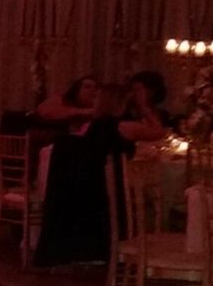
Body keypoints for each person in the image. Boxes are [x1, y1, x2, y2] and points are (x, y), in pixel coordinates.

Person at [34, 83, 142, 267]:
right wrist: (146, 108)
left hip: (85, 188)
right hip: (103, 192)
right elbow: (156, 131)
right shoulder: (119, 125)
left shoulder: (95, 125)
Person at [35, 75, 99, 129]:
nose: (93, 90)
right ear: (76, 91)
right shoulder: (60, 100)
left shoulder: (98, 109)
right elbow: (44, 110)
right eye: (87, 87)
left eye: (96, 87)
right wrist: (82, 112)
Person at [124, 71, 171, 139]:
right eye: (131, 89)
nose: (132, 93)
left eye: (137, 89)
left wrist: (144, 107)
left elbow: (161, 135)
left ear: (151, 92)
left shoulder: (163, 115)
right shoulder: (126, 114)